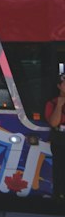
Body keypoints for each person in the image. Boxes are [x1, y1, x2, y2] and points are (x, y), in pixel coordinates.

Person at [45, 72, 65, 202]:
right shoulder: (51, 103)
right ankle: (59, 195)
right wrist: (59, 105)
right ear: (59, 86)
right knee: (59, 168)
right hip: (59, 140)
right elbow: (53, 123)